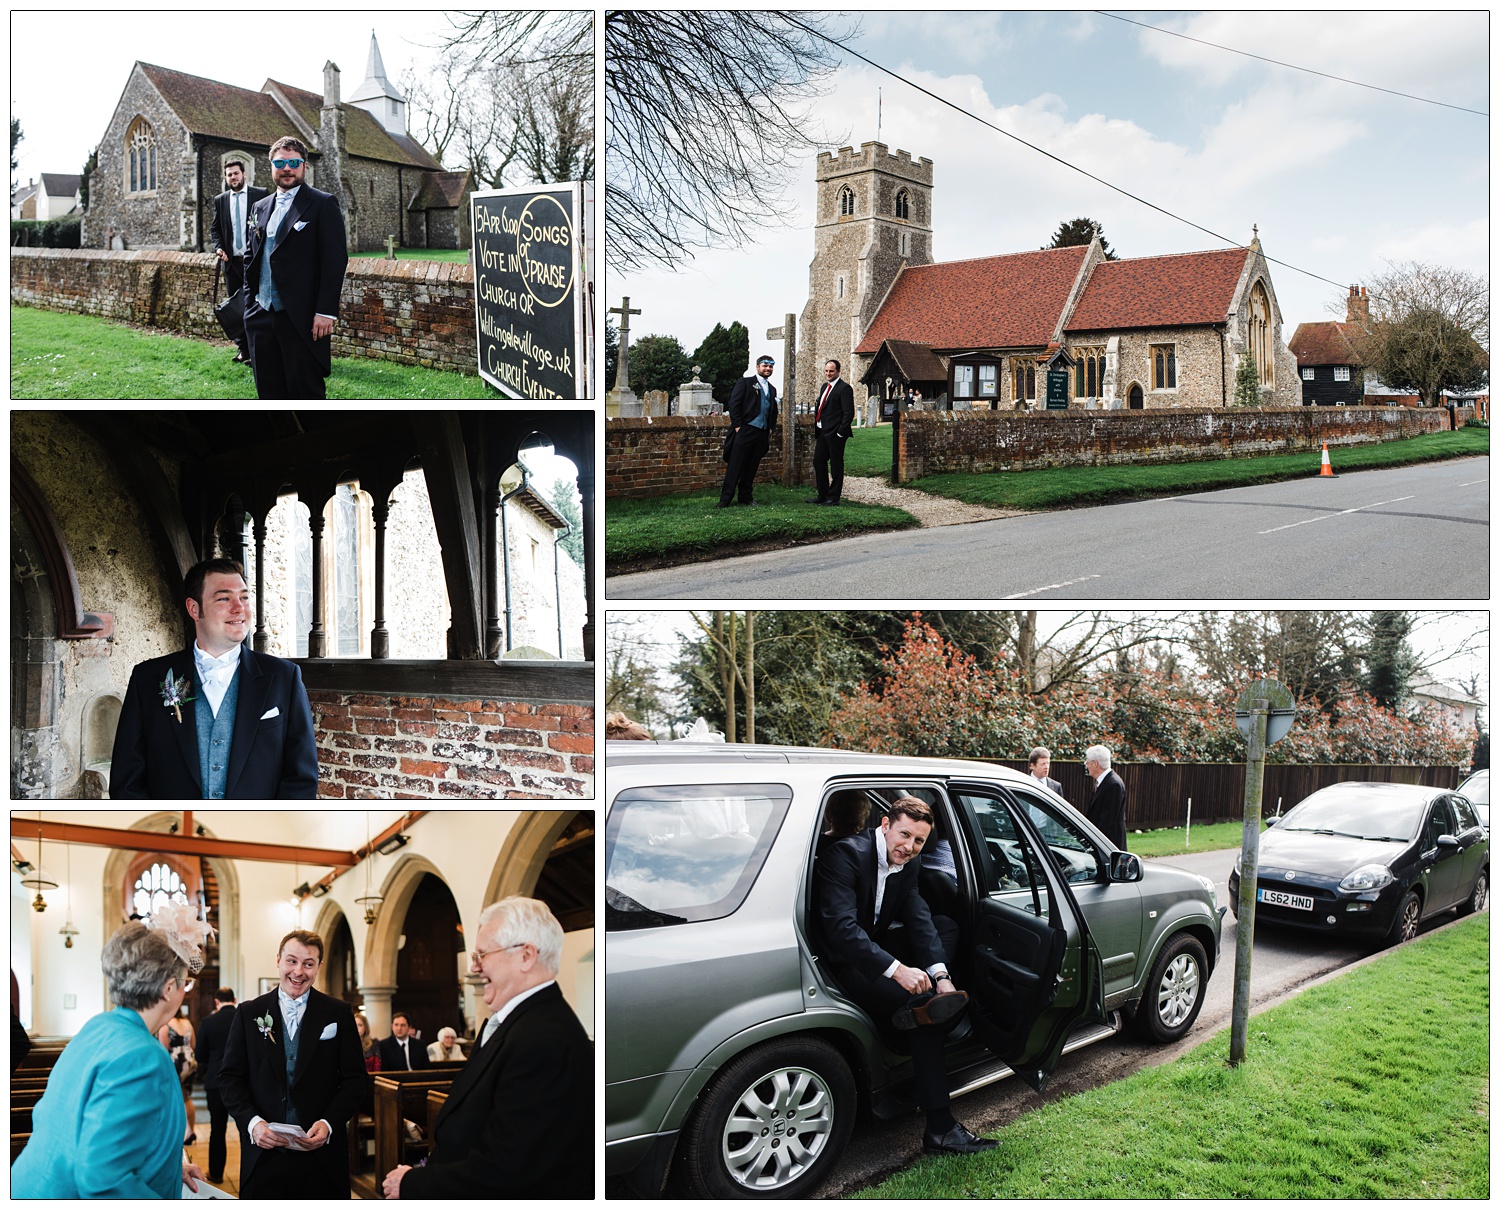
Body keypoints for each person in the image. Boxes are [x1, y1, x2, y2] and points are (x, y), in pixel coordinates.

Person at [812, 798, 995, 1157]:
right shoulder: (845, 855)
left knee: (944, 926)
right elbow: (841, 932)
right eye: (904, 835)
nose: (909, 847)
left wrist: (941, 976)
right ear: (885, 825)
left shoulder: (909, 863)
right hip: (840, 962)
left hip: (873, 944)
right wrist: (898, 970)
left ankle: (916, 1007)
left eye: (918, 841)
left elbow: (918, 918)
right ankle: (941, 1130)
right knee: (926, 1014)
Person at [382, 897, 592, 1199]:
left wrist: (412, 1183)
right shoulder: (510, 1023)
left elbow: (509, 1170)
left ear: (526, 956)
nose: (473, 966)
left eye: (482, 955)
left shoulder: (543, 1039)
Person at [12, 907, 211, 1197]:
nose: (185, 990)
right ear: (169, 988)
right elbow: (104, 1178)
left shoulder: (98, 1026)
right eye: (185, 982)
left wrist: (170, 1169)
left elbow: (99, 1132)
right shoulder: (143, 1056)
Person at [110, 556, 318, 799]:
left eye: (244, 597)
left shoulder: (284, 678)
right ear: (194, 608)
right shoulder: (146, 679)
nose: (239, 608)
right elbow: (127, 780)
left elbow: (301, 778)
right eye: (224, 598)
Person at [216, 929, 366, 1198]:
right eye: (291, 961)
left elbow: (355, 1080)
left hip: (321, 1155)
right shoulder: (249, 1013)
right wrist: (252, 1124)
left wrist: (330, 1122)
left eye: (308, 964)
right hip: (264, 1154)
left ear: (319, 967)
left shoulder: (338, 1013)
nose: (298, 971)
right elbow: (229, 1078)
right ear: (278, 961)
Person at [242, 135, 349, 399]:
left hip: (301, 319)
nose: (286, 168)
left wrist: (325, 311)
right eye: (280, 162)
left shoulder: (323, 203)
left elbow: (334, 261)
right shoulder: (259, 206)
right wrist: (249, 306)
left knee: (306, 392)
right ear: (271, 166)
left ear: (304, 166)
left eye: (293, 162)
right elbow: (250, 257)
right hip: (261, 315)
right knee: (268, 393)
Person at [209, 159, 268, 364]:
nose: (233, 177)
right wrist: (218, 247)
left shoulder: (260, 194)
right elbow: (215, 228)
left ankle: (259, 350)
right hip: (231, 263)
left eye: (236, 173)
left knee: (258, 305)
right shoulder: (220, 200)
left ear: (244, 174)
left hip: (255, 262)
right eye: (229, 175)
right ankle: (243, 350)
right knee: (237, 308)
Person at [716, 355, 779, 508]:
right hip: (745, 430)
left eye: (770, 366)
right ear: (758, 367)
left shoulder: (772, 389)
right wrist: (738, 426)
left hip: (762, 432)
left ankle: (746, 496)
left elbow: (773, 410)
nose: (768, 369)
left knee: (752, 466)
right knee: (735, 465)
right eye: (765, 366)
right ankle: (725, 499)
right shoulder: (745, 382)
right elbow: (734, 404)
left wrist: (770, 427)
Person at [197, 987, 238, 1185]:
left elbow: (200, 1055)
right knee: (248, 1129)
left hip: (216, 1082)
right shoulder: (243, 1017)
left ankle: (216, 1173)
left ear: (216, 1002)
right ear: (235, 999)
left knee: (217, 1128)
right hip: (242, 1082)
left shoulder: (208, 1022)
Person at [808, 358, 856, 505]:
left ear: (838, 371)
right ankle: (822, 495)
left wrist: (840, 432)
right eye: (826, 371)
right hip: (823, 431)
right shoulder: (824, 387)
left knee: (836, 465)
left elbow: (849, 413)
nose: (828, 373)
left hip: (836, 433)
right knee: (818, 461)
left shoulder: (844, 388)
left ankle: (833, 497)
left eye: (831, 371)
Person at [160, 1003, 198, 1144]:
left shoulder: (166, 1024)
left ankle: (176, 1134)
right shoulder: (188, 1023)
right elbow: (193, 1044)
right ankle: (191, 1131)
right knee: (186, 1098)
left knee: (172, 1099)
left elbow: (163, 1048)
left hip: (175, 1062)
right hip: (189, 1062)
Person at [1084, 744, 1128, 850]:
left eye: (1087, 762)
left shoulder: (1113, 784)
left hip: (1109, 847)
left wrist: (1095, 843)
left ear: (1095, 764)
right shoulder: (1104, 781)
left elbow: (1107, 821)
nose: (1086, 765)